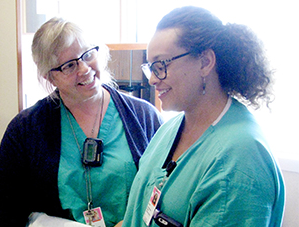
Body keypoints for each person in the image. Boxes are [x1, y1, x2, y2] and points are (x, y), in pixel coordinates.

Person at [0, 17, 163, 227]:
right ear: (49, 77)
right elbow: (8, 207)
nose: (84, 69)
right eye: (69, 66)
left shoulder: (144, 117)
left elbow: (166, 191)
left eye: (88, 55)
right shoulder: (25, 130)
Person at [119, 6, 285, 227]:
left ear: (205, 62)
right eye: (151, 67)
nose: (152, 80)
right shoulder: (171, 129)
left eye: (161, 65)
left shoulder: (239, 160)